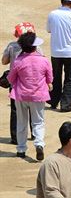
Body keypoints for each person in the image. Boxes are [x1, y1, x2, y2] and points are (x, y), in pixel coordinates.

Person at [7, 32, 52, 161]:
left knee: (21, 122)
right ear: (34, 47)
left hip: (21, 95)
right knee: (38, 122)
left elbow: (11, 78)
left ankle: (21, 149)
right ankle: (39, 144)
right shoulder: (44, 60)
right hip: (38, 95)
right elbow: (50, 78)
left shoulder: (18, 61)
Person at [3, 22, 43, 145]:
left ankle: (16, 137)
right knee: (34, 111)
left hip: (16, 83)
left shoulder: (11, 46)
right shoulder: (37, 48)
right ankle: (35, 134)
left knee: (16, 111)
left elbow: (4, 61)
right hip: (34, 83)